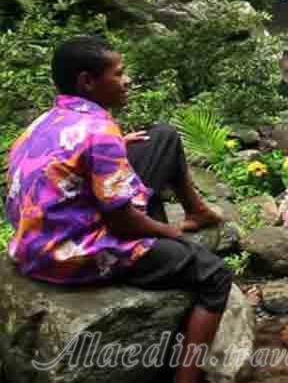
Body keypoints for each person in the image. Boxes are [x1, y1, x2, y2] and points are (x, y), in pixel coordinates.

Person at [4, 36, 233, 383]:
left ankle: (197, 211)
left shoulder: (43, 122)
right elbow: (123, 223)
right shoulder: (100, 132)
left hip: (33, 243)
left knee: (162, 136)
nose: (127, 81)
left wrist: (119, 148)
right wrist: (170, 234)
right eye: (119, 74)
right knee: (215, 275)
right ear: (87, 81)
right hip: (72, 252)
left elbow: (65, 165)